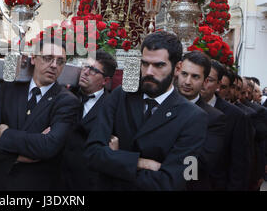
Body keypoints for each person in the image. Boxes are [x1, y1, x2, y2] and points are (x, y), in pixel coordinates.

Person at [85, 31, 207, 190]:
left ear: (177, 68)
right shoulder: (121, 95)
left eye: (159, 65)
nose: (149, 72)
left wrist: (114, 161)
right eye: (145, 64)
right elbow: (92, 154)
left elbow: (171, 181)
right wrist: (138, 162)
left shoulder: (193, 117)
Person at [0, 39, 80, 191]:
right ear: (33, 58)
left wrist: (5, 133)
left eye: (60, 61)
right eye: (48, 58)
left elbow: (48, 146)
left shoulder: (67, 101)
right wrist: (17, 157)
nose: (54, 65)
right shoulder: (9, 89)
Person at [60, 50, 117, 191]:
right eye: (85, 66)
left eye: (93, 70)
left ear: (105, 80)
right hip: (56, 178)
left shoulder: (112, 107)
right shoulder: (66, 95)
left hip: (88, 182)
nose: (85, 72)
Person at [174, 51, 225, 191]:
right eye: (184, 74)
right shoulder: (159, 105)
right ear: (177, 72)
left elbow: (200, 163)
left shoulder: (214, 118)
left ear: (205, 81)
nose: (187, 81)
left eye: (195, 76)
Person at [200, 61, 251, 190]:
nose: (202, 83)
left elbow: (239, 165)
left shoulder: (235, 116)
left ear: (218, 84)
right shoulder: (177, 108)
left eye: (209, 80)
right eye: (198, 77)